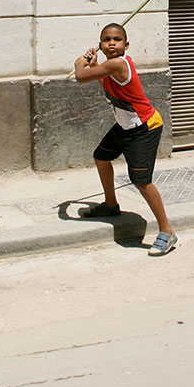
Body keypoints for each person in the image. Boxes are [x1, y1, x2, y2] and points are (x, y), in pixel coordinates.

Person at [74, 23, 178, 257]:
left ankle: (167, 231)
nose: (112, 43)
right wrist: (94, 65)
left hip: (144, 127)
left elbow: (80, 77)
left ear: (126, 45)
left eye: (117, 39)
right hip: (125, 126)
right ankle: (111, 205)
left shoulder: (119, 63)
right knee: (101, 157)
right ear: (100, 45)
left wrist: (80, 62)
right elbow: (104, 84)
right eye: (106, 40)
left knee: (141, 181)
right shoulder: (109, 68)